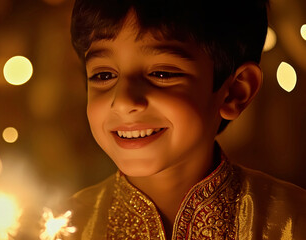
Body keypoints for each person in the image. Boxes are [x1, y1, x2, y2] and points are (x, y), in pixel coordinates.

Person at [62, 0, 306, 239]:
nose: (124, 101)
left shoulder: (293, 223)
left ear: (235, 92)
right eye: (104, 75)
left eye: (161, 74)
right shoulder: (62, 227)